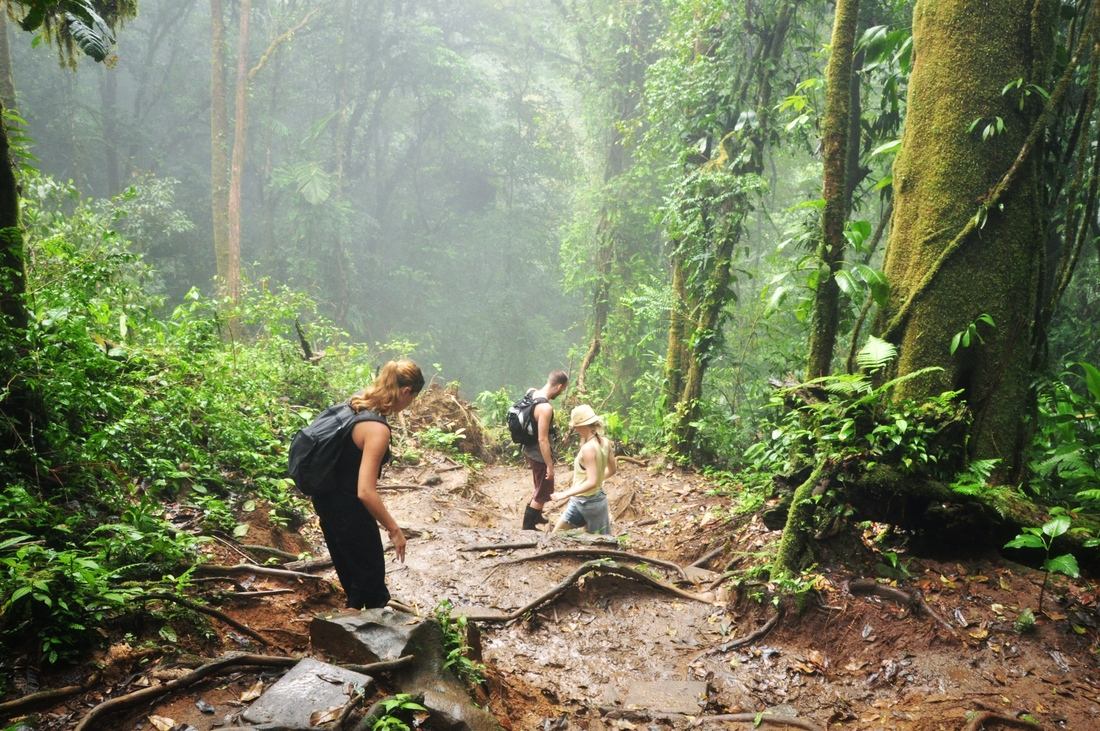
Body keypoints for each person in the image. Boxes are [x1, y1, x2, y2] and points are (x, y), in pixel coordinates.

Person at [310, 359, 424, 609]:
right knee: (373, 592)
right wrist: (394, 529)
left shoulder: (354, 405)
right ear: (406, 392)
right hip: (350, 511)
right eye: (412, 398)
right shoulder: (376, 429)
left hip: (326, 502)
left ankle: (346, 632)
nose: (409, 404)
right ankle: (373, 641)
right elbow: (365, 491)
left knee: (355, 584)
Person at [548, 404, 617, 534]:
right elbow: (612, 470)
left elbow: (591, 481)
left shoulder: (588, 448)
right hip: (591, 501)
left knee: (601, 546)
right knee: (556, 537)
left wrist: (564, 494)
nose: (574, 429)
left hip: (588, 503)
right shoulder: (605, 442)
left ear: (580, 426)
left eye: (575, 426)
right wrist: (597, 481)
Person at [521, 370, 569, 530]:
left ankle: (536, 515)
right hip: (539, 454)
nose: (561, 394)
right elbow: (543, 439)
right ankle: (528, 526)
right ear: (559, 386)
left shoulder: (531, 392)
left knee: (539, 486)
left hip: (528, 449)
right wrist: (550, 465)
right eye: (562, 390)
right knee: (543, 491)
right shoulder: (545, 408)